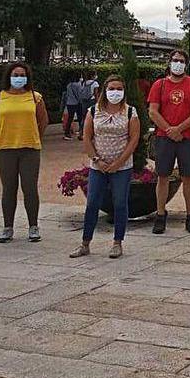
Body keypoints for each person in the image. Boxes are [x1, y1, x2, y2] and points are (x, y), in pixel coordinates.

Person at [71, 75, 140, 260]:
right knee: (92, 202)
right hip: (98, 166)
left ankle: (117, 242)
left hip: (122, 166)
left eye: (119, 89)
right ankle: (85, 243)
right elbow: (86, 136)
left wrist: (119, 162)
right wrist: (96, 159)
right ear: (104, 91)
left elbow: (134, 139)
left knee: (119, 203)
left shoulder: (130, 112)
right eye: (111, 89)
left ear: (124, 92)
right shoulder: (93, 111)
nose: (115, 92)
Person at [0, 62, 49, 243]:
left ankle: (33, 226)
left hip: (30, 149)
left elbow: (43, 121)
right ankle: (8, 227)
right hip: (5, 149)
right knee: (9, 188)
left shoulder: (35, 97)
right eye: (15, 74)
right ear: (9, 76)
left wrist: (35, 137)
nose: (19, 78)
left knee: (30, 188)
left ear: (27, 77)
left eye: (22, 75)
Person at [148, 49, 190, 235]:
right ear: (169, 62)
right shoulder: (159, 85)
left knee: (188, 177)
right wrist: (169, 130)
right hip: (164, 138)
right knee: (163, 177)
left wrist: (179, 129)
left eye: (181, 61)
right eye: (174, 60)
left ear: (186, 64)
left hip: (187, 138)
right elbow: (153, 111)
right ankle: (160, 214)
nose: (177, 63)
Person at [63, 75, 89, 140]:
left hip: (69, 103)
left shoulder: (68, 85)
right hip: (77, 103)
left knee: (70, 118)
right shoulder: (78, 85)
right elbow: (80, 94)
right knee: (80, 118)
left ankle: (67, 133)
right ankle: (81, 132)